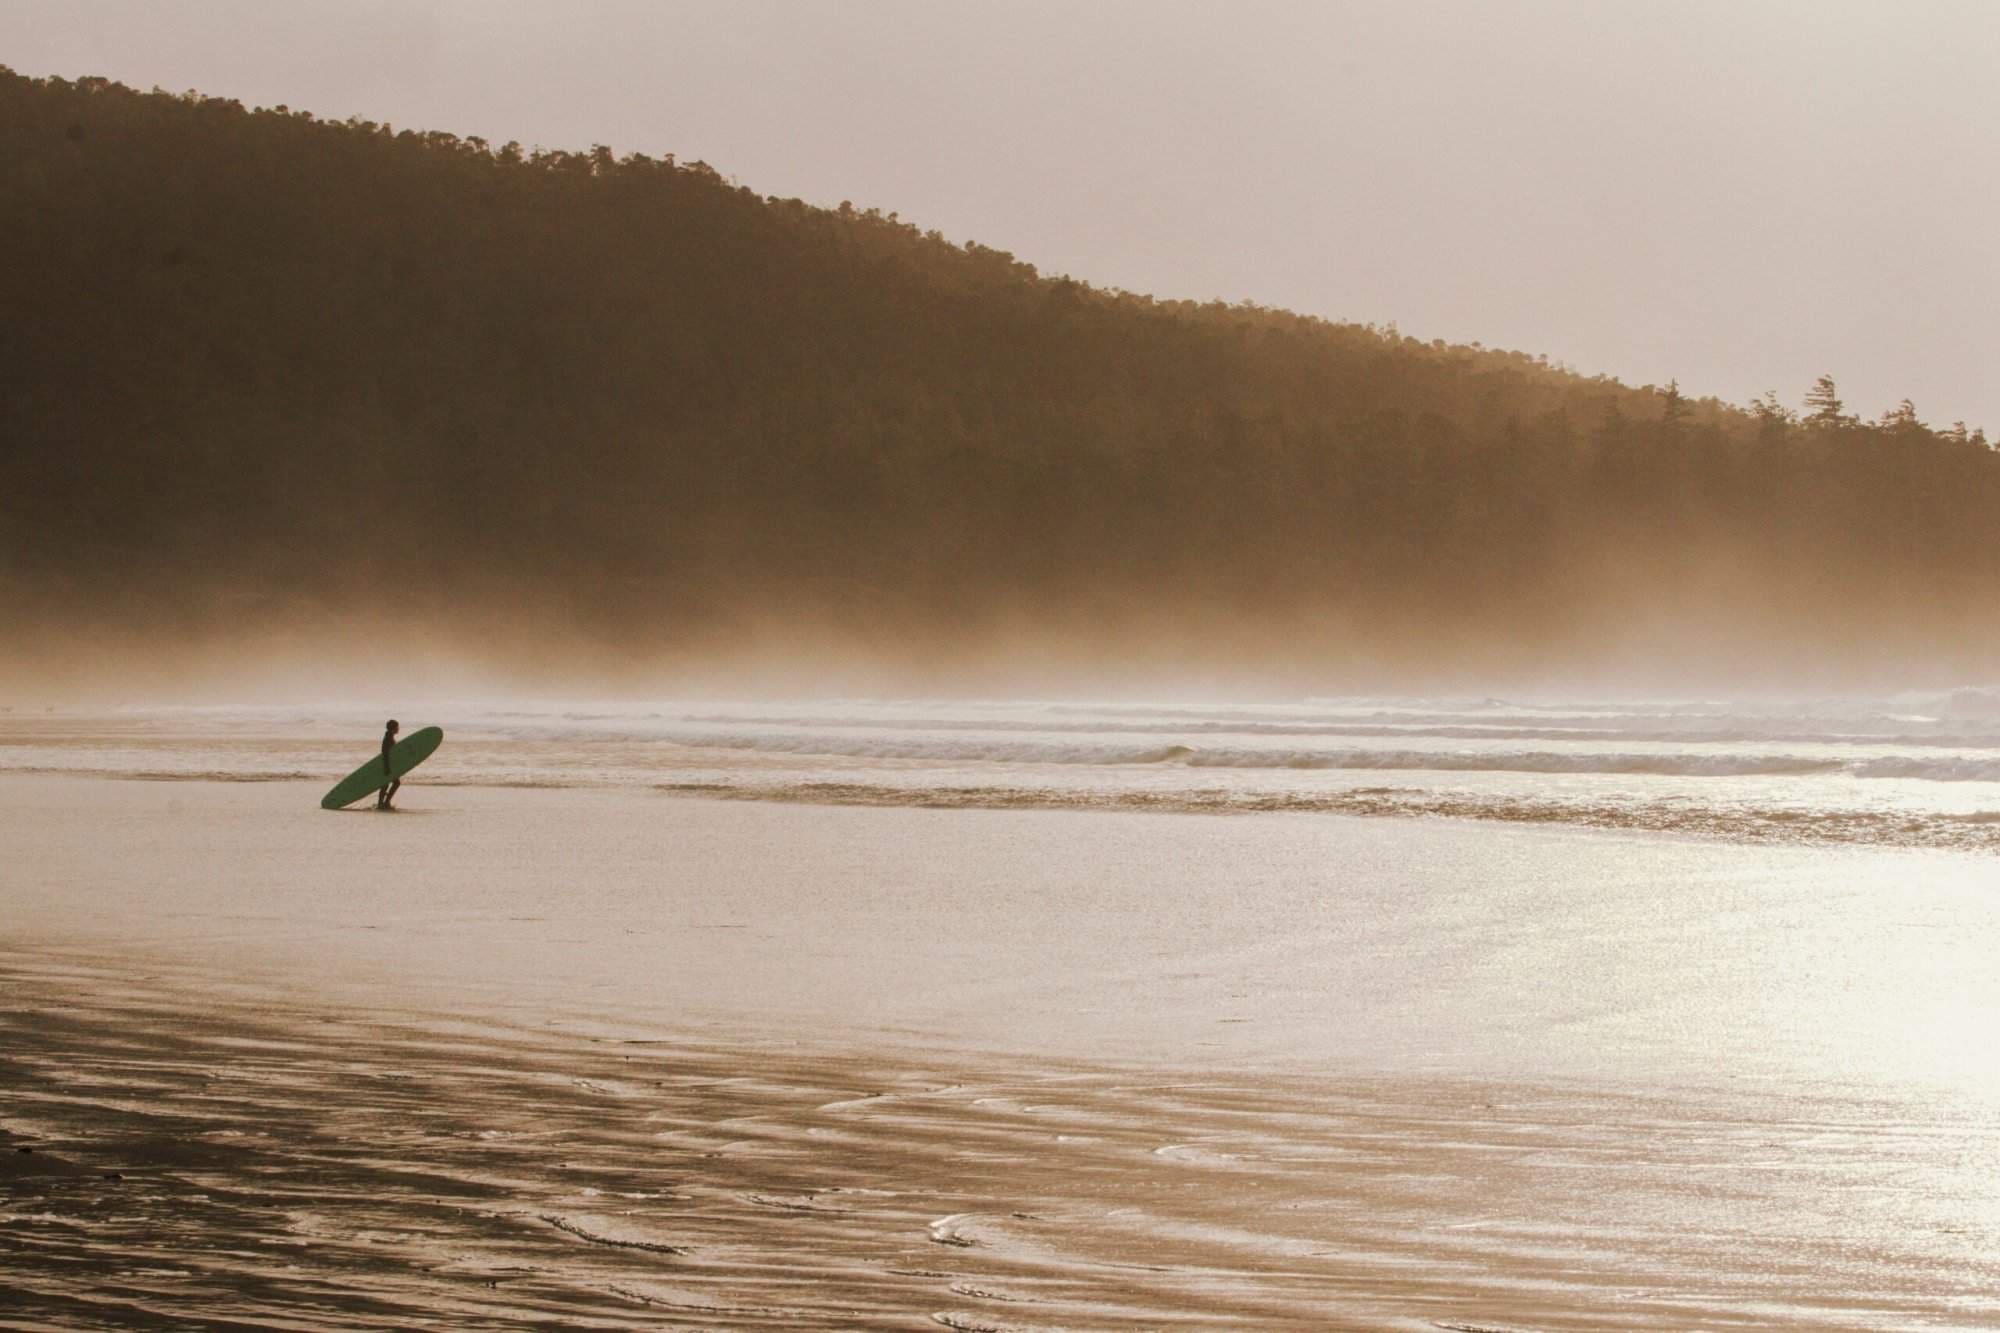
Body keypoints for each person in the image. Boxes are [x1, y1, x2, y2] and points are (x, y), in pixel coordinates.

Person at [375, 718, 401, 811]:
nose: (399, 729)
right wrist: (387, 767)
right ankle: (385, 803)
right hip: (387, 764)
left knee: (385, 784)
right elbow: (385, 753)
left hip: (388, 764)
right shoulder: (388, 738)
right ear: (394, 728)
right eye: (397, 727)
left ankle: (382, 803)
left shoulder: (389, 736)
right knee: (395, 783)